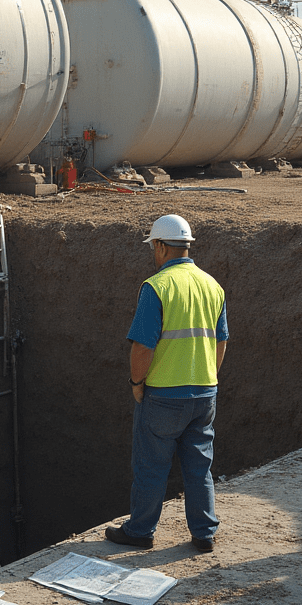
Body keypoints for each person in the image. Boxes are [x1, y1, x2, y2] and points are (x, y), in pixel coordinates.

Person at [106, 214, 228, 553]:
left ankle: (141, 530)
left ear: (160, 246)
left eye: (153, 247)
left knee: (151, 465)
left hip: (163, 395)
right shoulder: (212, 285)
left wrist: (136, 383)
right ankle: (204, 533)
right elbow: (220, 340)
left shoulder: (156, 287)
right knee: (199, 465)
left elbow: (143, 346)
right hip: (205, 393)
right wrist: (210, 376)